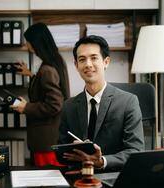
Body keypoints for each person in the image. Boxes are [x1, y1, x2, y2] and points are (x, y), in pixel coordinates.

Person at [58, 35, 144, 171]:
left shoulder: (128, 102)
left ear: (106, 62)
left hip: (115, 179)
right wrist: (74, 150)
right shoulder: (69, 106)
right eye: (82, 59)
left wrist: (101, 161)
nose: (88, 64)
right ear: (76, 65)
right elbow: (61, 153)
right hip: (78, 177)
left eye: (94, 58)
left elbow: (135, 151)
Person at [12, 23, 70, 167]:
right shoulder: (56, 61)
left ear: (36, 43)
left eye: (28, 42)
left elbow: (54, 105)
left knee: (48, 182)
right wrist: (31, 75)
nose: (27, 46)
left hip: (46, 140)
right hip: (52, 136)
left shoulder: (47, 70)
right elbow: (48, 87)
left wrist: (26, 107)